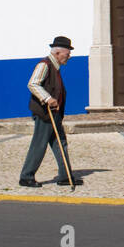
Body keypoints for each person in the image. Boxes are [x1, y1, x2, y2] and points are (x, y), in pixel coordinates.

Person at [19, 37, 77, 188]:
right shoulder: (44, 65)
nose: (69, 57)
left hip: (55, 114)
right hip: (45, 113)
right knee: (39, 144)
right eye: (67, 53)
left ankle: (65, 176)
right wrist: (48, 98)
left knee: (60, 143)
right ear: (57, 52)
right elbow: (33, 84)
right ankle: (26, 176)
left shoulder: (55, 67)